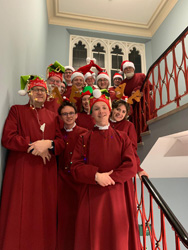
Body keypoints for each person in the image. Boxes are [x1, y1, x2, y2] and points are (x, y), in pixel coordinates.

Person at [71, 88, 141, 250]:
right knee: (95, 236)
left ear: (109, 111)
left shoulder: (122, 137)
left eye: (103, 108)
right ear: (91, 114)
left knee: (118, 237)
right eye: (96, 108)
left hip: (118, 195)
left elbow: (131, 166)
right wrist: (96, 176)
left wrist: (110, 178)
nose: (100, 111)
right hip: (93, 196)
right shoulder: (84, 138)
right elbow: (75, 168)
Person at [0, 75, 65, 250]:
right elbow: (8, 138)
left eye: (42, 90)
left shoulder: (53, 116)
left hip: (46, 172)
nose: (39, 93)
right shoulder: (16, 110)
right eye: (36, 89)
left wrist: (49, 144)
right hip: (22, 169)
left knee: (44, 214)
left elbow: (61, 143)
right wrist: (34, 145)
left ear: (47, 94)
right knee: (20, 212)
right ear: (28, 92)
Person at [57, 100, 87, 250]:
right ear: (61, 117)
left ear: (76, 115)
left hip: (78, 182)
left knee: (79, 217)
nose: (68, 116)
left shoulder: (84, 133)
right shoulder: (57, 134)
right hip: (61, 181)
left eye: (71, 113)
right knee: (63, 218)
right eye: (64, 114)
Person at [110, 97, 148, 179]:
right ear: (112, 109)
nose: (120, 113)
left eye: (123, 112)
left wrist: (138, 168)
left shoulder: (129, 126)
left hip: (121, 165)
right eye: (118, 109)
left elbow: (132, 148)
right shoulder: (105, 123)